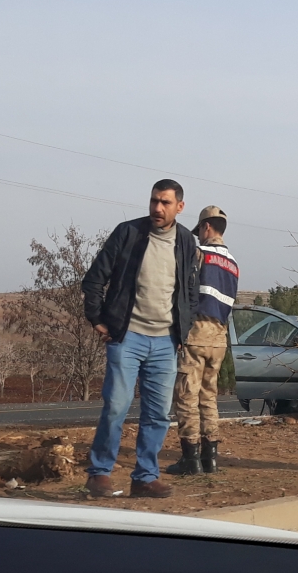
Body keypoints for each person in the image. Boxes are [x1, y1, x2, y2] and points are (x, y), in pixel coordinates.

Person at [81, 179, 199, 498]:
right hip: (127, 336)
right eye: (154, 201)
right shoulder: (128, 232)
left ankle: (145, 477)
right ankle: (99, 474)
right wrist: (97, 318)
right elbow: (94, 279)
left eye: (165, 202)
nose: (157, 208)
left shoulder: (186, 240)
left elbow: (191, 290)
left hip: (165, 342)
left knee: (158, 414)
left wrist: (183, 330)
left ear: (179, 207)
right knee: (116, 406)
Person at [167, 206, 239, 476]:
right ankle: (211, 458)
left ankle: (191, 459)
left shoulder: (199, 253)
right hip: (219, 337)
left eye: (199, 231)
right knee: (209, 396)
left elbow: (182, 291)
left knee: (187, 396)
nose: (198, 236)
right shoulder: (233, 263)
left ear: (206, 227)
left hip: (196, 332)